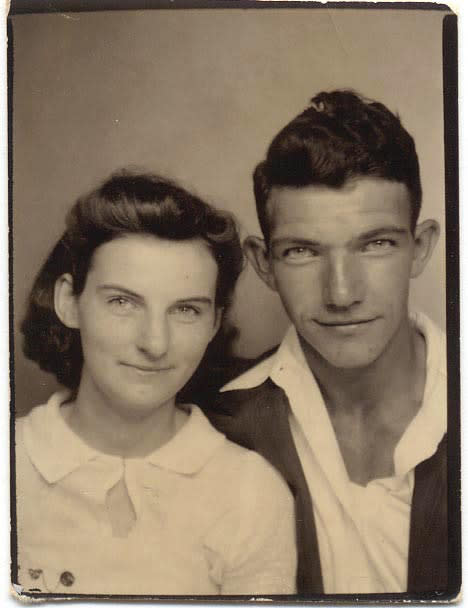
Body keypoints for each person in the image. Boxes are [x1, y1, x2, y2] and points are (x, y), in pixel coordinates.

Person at [204, 90, 447, 595]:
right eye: (302, 251)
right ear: (263, 263)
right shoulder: (214, 425)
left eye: (375, 244)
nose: (342, 293)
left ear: (419, 247)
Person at [15, 171, 297, 596]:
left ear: (214, 323)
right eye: (123, 302)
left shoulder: (251, 492)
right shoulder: (13, 464)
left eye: (185, 310)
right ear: (68, 302)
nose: (155, 343)